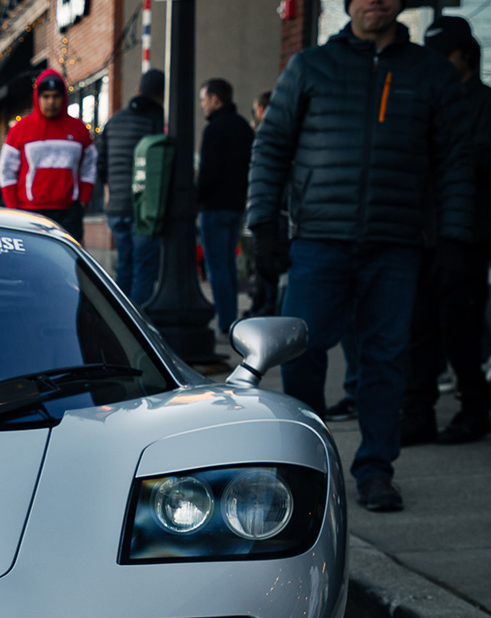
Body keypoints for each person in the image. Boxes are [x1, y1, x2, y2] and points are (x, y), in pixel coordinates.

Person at [247, 0, 471, 513]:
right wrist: (263, 222)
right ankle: (304, 468)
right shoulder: (310, 66)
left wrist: (452, 238)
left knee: (385, 360)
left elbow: (454, 164)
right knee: (299, 351)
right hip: (319, 240)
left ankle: (375, 469)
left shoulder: (431, 74)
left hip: (396, 245)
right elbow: (272, 145)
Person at [401, 16, 491, 446]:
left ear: (464, 54)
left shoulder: (488, 102)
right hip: (423, 232)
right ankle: (417, 414)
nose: (437, 64)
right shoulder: (429, 101)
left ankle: (475, 410)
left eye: (443, 54)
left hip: (468, 233)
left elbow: (478, 160)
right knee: (419, 328)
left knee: (461, 327)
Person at [0, 69, 98, 243]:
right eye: (46, 96)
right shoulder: (20, 130)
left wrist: (83, 200)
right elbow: (6, 170)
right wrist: (13, 208)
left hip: (69, 212)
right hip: (29, 212)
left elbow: (89, 166)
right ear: (38, 97)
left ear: (63, 97)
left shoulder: (79, 129)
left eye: (56, 96)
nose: (51, 102)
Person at [97, 69, 165, 305]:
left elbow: (101, 165)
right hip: (143, 210)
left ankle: (119, 321)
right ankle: (139, 326)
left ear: (137, 91)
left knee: (124, 266)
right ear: (161, 95)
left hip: (116, 207)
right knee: (144, 269)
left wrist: (112, 191)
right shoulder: (155, 120)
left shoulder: (113, 121)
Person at [196, 78, 255, 335]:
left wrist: (196, 198)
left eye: (204, 99)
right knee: (228, 265)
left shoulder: (214, 130)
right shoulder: (243, 127)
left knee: (217, 267)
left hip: (214, 206)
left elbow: (209, 173)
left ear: (215, 99)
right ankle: (231, 321)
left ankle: (226, 323)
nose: (202, 105)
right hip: (235, 207)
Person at [245, 89, 282, 318]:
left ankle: (267, 304)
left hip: (266, 209)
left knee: (266, 261)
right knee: (265, 262)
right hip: (268, 208)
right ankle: (265, 303)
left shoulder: (267, 135)